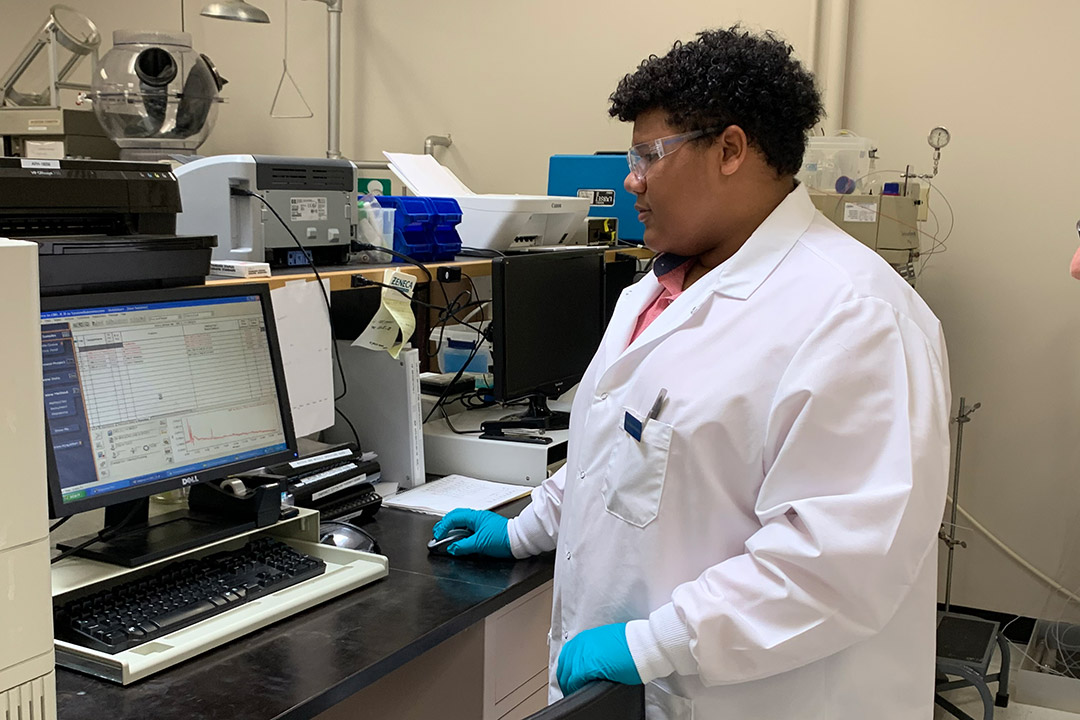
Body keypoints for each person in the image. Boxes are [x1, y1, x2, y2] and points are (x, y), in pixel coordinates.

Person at [433, 25, 951, 719]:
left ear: (731, 150)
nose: (631, 178)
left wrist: (653, 646)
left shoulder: (857, 316)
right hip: (635, 691)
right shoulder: (657, 292)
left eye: (650, 154)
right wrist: (525, 530)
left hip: (757, 698)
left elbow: (836, 566)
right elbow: (617, 454)